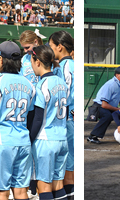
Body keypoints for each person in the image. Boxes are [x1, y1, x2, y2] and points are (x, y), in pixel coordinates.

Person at [0, 41, 34, 200]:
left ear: (0, 59)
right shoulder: (29, 84)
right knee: (20, 191)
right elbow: (32, 116)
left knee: (2, 190)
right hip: (23, 140)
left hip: (1, 141)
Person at [29, 45, 69, 200]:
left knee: (44, 187)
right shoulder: (61, 82)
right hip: (61, 138)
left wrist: (29, 139)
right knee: (58, 185)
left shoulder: (41, 85)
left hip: (45, 140)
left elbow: (38, 119)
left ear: (37, 62)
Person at [48, 30, 74, 199]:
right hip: (70, 117)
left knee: (66, 168)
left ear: (59, 46)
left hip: (66, 120)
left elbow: (64, 95)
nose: (50, 50)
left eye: (51, 46)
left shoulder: (64, 66)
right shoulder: (72, 64)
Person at [86, 66, 120, 144]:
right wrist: (119, 110)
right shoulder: (111, 84)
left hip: (111, 107)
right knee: (108, 116)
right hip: (99, 107)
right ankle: (93, 136)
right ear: (117, 75)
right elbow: (104, 105)